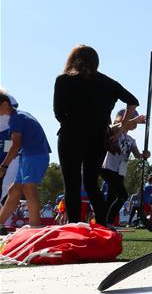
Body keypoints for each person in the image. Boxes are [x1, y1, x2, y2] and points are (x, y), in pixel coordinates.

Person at [53, 45, 140, 224]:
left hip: (71, 135)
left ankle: (74, 227)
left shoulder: (63, 80)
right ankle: (102, 224)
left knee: (72, 184)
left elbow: (58, 113)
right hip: (97, 137)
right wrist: (122, 128)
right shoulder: (108, 83)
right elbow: (133, 101)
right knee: (92, 184)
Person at [0, 91, 52, 232]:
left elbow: (15, 145)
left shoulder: (16, 119)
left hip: (34, 155)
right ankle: (0, 223)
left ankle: (35, 227)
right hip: (29, 155)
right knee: (14, 190)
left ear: (5, 104)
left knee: (29, 189)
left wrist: (4, 166)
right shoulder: (21, 115)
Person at [100, 108, 150, 229]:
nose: (135, 123)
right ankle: (109, 222)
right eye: (132, 119)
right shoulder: (114, 130)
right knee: (123, 195)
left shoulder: (130, 140)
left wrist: (145, 155)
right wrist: (134, 119)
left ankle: (103, 223)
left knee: (112, 198)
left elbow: (138, 155)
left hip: (120, 172)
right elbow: (118, 126)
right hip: (108, 168)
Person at [0, 92, 21, 208]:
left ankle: (4, 218)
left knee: (7, 186)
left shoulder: (12, 126)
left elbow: (11, 150)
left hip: (9, 157)